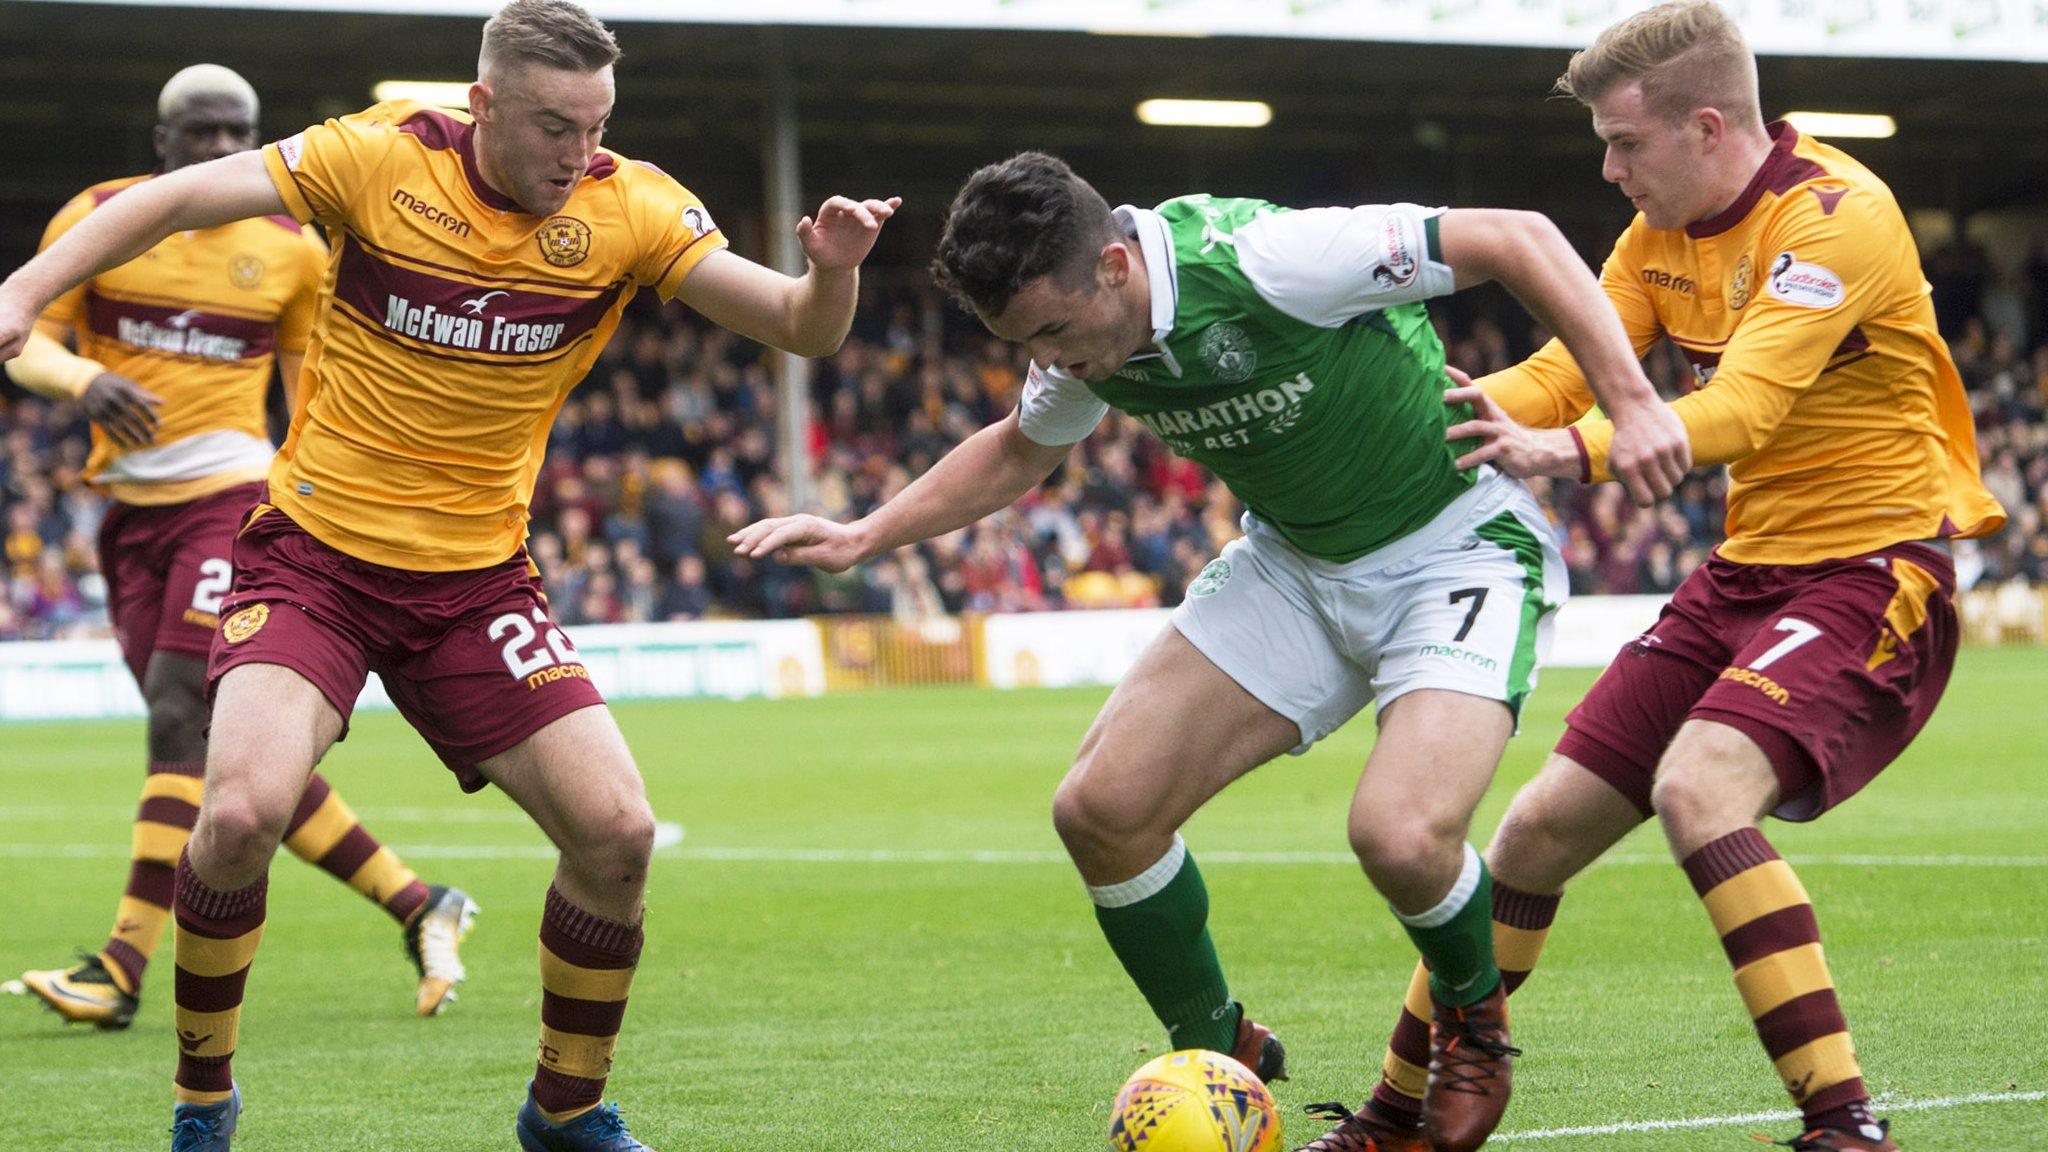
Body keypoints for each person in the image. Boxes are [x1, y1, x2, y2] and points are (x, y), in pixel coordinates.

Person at [0, 3, 897, 1148]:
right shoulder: (379, 156)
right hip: (314, 560)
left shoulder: (632, 208)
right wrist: (23, 295)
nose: (577, 156)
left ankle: (565, 1113)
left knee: (616, 833)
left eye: (595, 126)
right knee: (236, 816)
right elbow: (171, 197)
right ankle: (202, 1105)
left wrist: (832, 277)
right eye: (550, 127)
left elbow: (799, 330)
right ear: (480, 106)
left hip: (477, 586)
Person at [730, 152, 1688, 1152]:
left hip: (1449, 547)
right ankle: (1214, 1045)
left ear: (1111, 265)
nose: (1050, 361)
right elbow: (1020, 447)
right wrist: (861, 534)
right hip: (1295, 566)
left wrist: (1629, 404)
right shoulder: (1073, 339)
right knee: (1100, 813)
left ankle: (1472, 1026)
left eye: (1051, 333)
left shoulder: (1267, 259)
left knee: (1399, 838)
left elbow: (1517, 236)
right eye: (1024, 343)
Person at [1308, 5, 2006, 1151]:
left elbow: (1740, 409)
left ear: (1708, 125)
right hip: (1744, 574)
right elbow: (1561, 372)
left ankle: (1842, 1127)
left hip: (1872, 571)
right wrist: (1433, 418)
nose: (1607, 168)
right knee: (1531, 835)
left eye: (1625, 143)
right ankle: (1394, 1117)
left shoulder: (1839, 218)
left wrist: (1568, 453)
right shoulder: (1656, 233)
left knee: (1697, 790)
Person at [3, 64, 477, 1031]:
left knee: (180, 717)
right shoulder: (101, 218)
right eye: (203, 134)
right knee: (223, 758)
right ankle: (419, 901)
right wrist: (81, 382)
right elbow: (29, 338)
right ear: (163, 143)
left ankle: (121, 966)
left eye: (239, 133)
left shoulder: (293, 249)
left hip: (233, 502)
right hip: (128, 518)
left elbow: (311, 398)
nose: (223, 151)